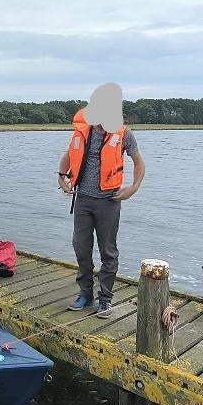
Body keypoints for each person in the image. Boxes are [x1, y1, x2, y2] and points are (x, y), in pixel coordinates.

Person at [57, 83, 145, 318]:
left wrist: (132, 189)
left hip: (109, 201)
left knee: (108, 251)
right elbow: (69, 155)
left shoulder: (124, 134)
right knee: (81, 247)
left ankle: (104, 299)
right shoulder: (82, 130)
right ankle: (85, 293)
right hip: (83, 200)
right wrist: (61, 177)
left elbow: (139, 163)